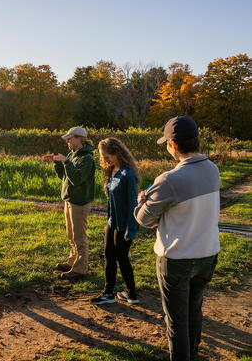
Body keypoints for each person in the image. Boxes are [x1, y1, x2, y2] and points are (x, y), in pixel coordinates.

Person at [134, 116, 220, 361]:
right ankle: (192, 354)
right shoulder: (213, 170)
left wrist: (142, 200)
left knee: (177, 322)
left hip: (178, 259)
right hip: (207, 255)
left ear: (172, 144)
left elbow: (144, 219)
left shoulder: (169, 179)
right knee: (194, 312)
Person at [90, 138, 140, 305]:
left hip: (124, 225)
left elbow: (133, 204)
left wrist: (131, 230)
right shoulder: (111, 171)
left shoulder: (128, 175)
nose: (105, 160)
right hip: (111, 223)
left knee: (122, 258)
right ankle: (108, 293)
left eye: (107, 156)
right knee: (108, 257)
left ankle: (131, 293)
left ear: (117, 153)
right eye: (102, 157)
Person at [50, 126, 95, 280]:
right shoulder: (73, 155)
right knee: (71, 235)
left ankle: (80, 269)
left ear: (79, 139)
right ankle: (72, 261)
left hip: (80, 202)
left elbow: (76, 179)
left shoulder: (87, 158)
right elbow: (66, 177)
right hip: (70, 200)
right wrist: (58, 164)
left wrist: (66, 162)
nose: (67, 141)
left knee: (79, 237)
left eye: (70, 138)